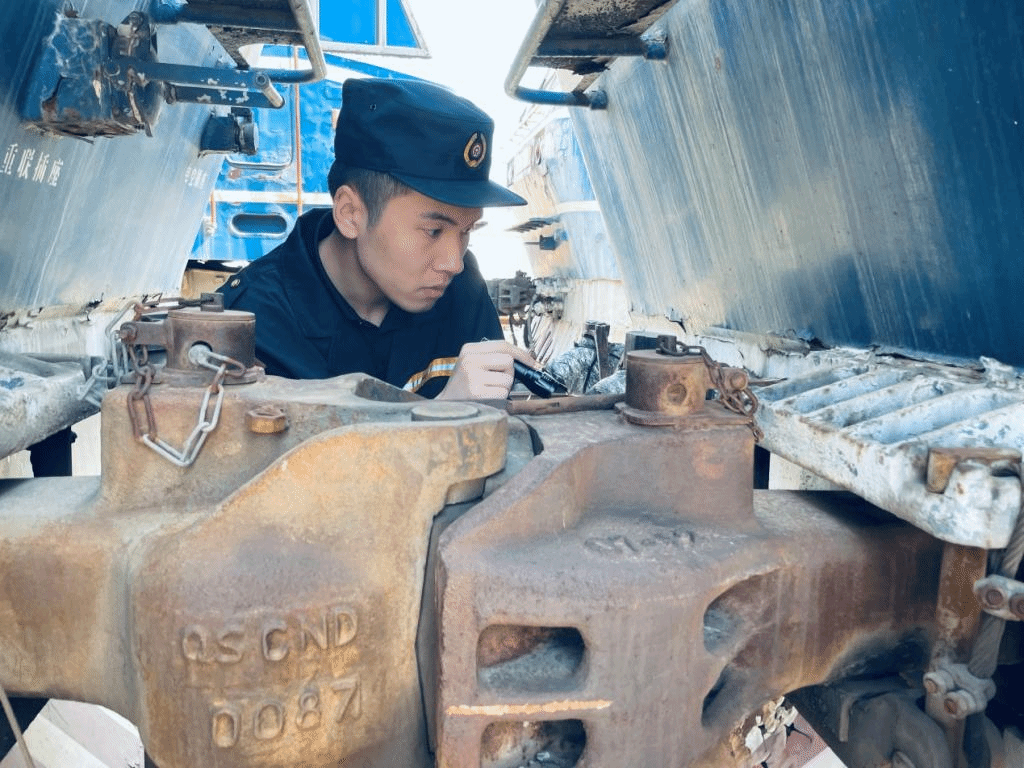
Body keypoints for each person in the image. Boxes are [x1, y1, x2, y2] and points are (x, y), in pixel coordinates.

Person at [218, 76, 539, 399]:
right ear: (350, 214)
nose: (454, 263)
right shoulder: (253, 324)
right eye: (433, 231)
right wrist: (442, 413)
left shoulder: (462, 288)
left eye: (467, 231)